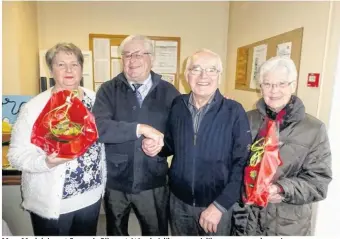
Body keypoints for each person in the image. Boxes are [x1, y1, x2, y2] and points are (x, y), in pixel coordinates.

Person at [143, 49, 252, 236]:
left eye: (211, 70)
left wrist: (220, 205)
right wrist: (156, 147)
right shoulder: (178, 105)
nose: (203, 76)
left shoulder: (234, 111)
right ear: (186, 75)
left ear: (219, 75)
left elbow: (242, 163)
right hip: (179, 203)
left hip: (216, 207)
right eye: (196, 69)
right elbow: (171, 144)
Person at [7, 43, 106, 236]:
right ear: (51, 70)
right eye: (61, 64)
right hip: (53, 202)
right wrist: (45, 162)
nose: (69, 70)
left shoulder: (96, 100)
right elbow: (16, 156)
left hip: (91, 197)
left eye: (74, 64)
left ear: (81, 69)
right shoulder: (33, 108)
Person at [231, 56, 332, 236]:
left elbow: (319, 182)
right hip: (246, 222)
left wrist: (282, 189)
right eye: (268, 84)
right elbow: (233, 163)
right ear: (260, 87)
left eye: (282, 84)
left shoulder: (314, 129)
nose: (274, 90)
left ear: (293, 86)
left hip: (286, 225)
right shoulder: (247, 120)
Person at [92, 35, 180, 236]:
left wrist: (162, 146)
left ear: (152, 58)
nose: (132, 60)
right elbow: (99, 127)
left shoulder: (169, 92)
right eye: (127, 55)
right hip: (116, 182)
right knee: (116, 232)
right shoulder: (107, 90)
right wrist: (139, 128)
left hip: (153, 180)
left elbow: (178, 134)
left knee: (156, 231)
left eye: (139, 54)